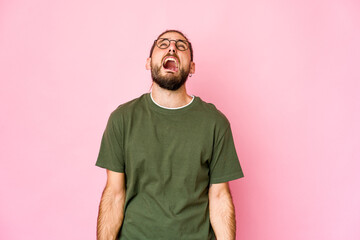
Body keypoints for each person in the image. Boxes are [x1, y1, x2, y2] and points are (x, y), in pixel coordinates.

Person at [96, 29, 244, 240]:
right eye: (163, 44)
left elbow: (220, 197)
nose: (172, 47)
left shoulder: (215, 123)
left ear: (191, 67)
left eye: (181, 46)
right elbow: (114, 194)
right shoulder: (122, 119)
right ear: (148, 62)